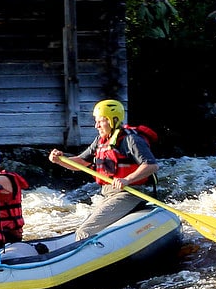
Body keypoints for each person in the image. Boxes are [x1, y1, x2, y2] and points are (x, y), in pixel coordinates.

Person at [49, 99, 159, 240]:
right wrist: (59, 160)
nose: (96, 126)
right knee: (85, 227)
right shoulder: (101, 141)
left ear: (112, 120)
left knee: (85, 232)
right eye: (96, 121)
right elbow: (81, 162)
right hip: (109, 195)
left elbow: (151, 165)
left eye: (100, 121)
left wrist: (127, 179)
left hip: (130, 194)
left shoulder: (131, 140)